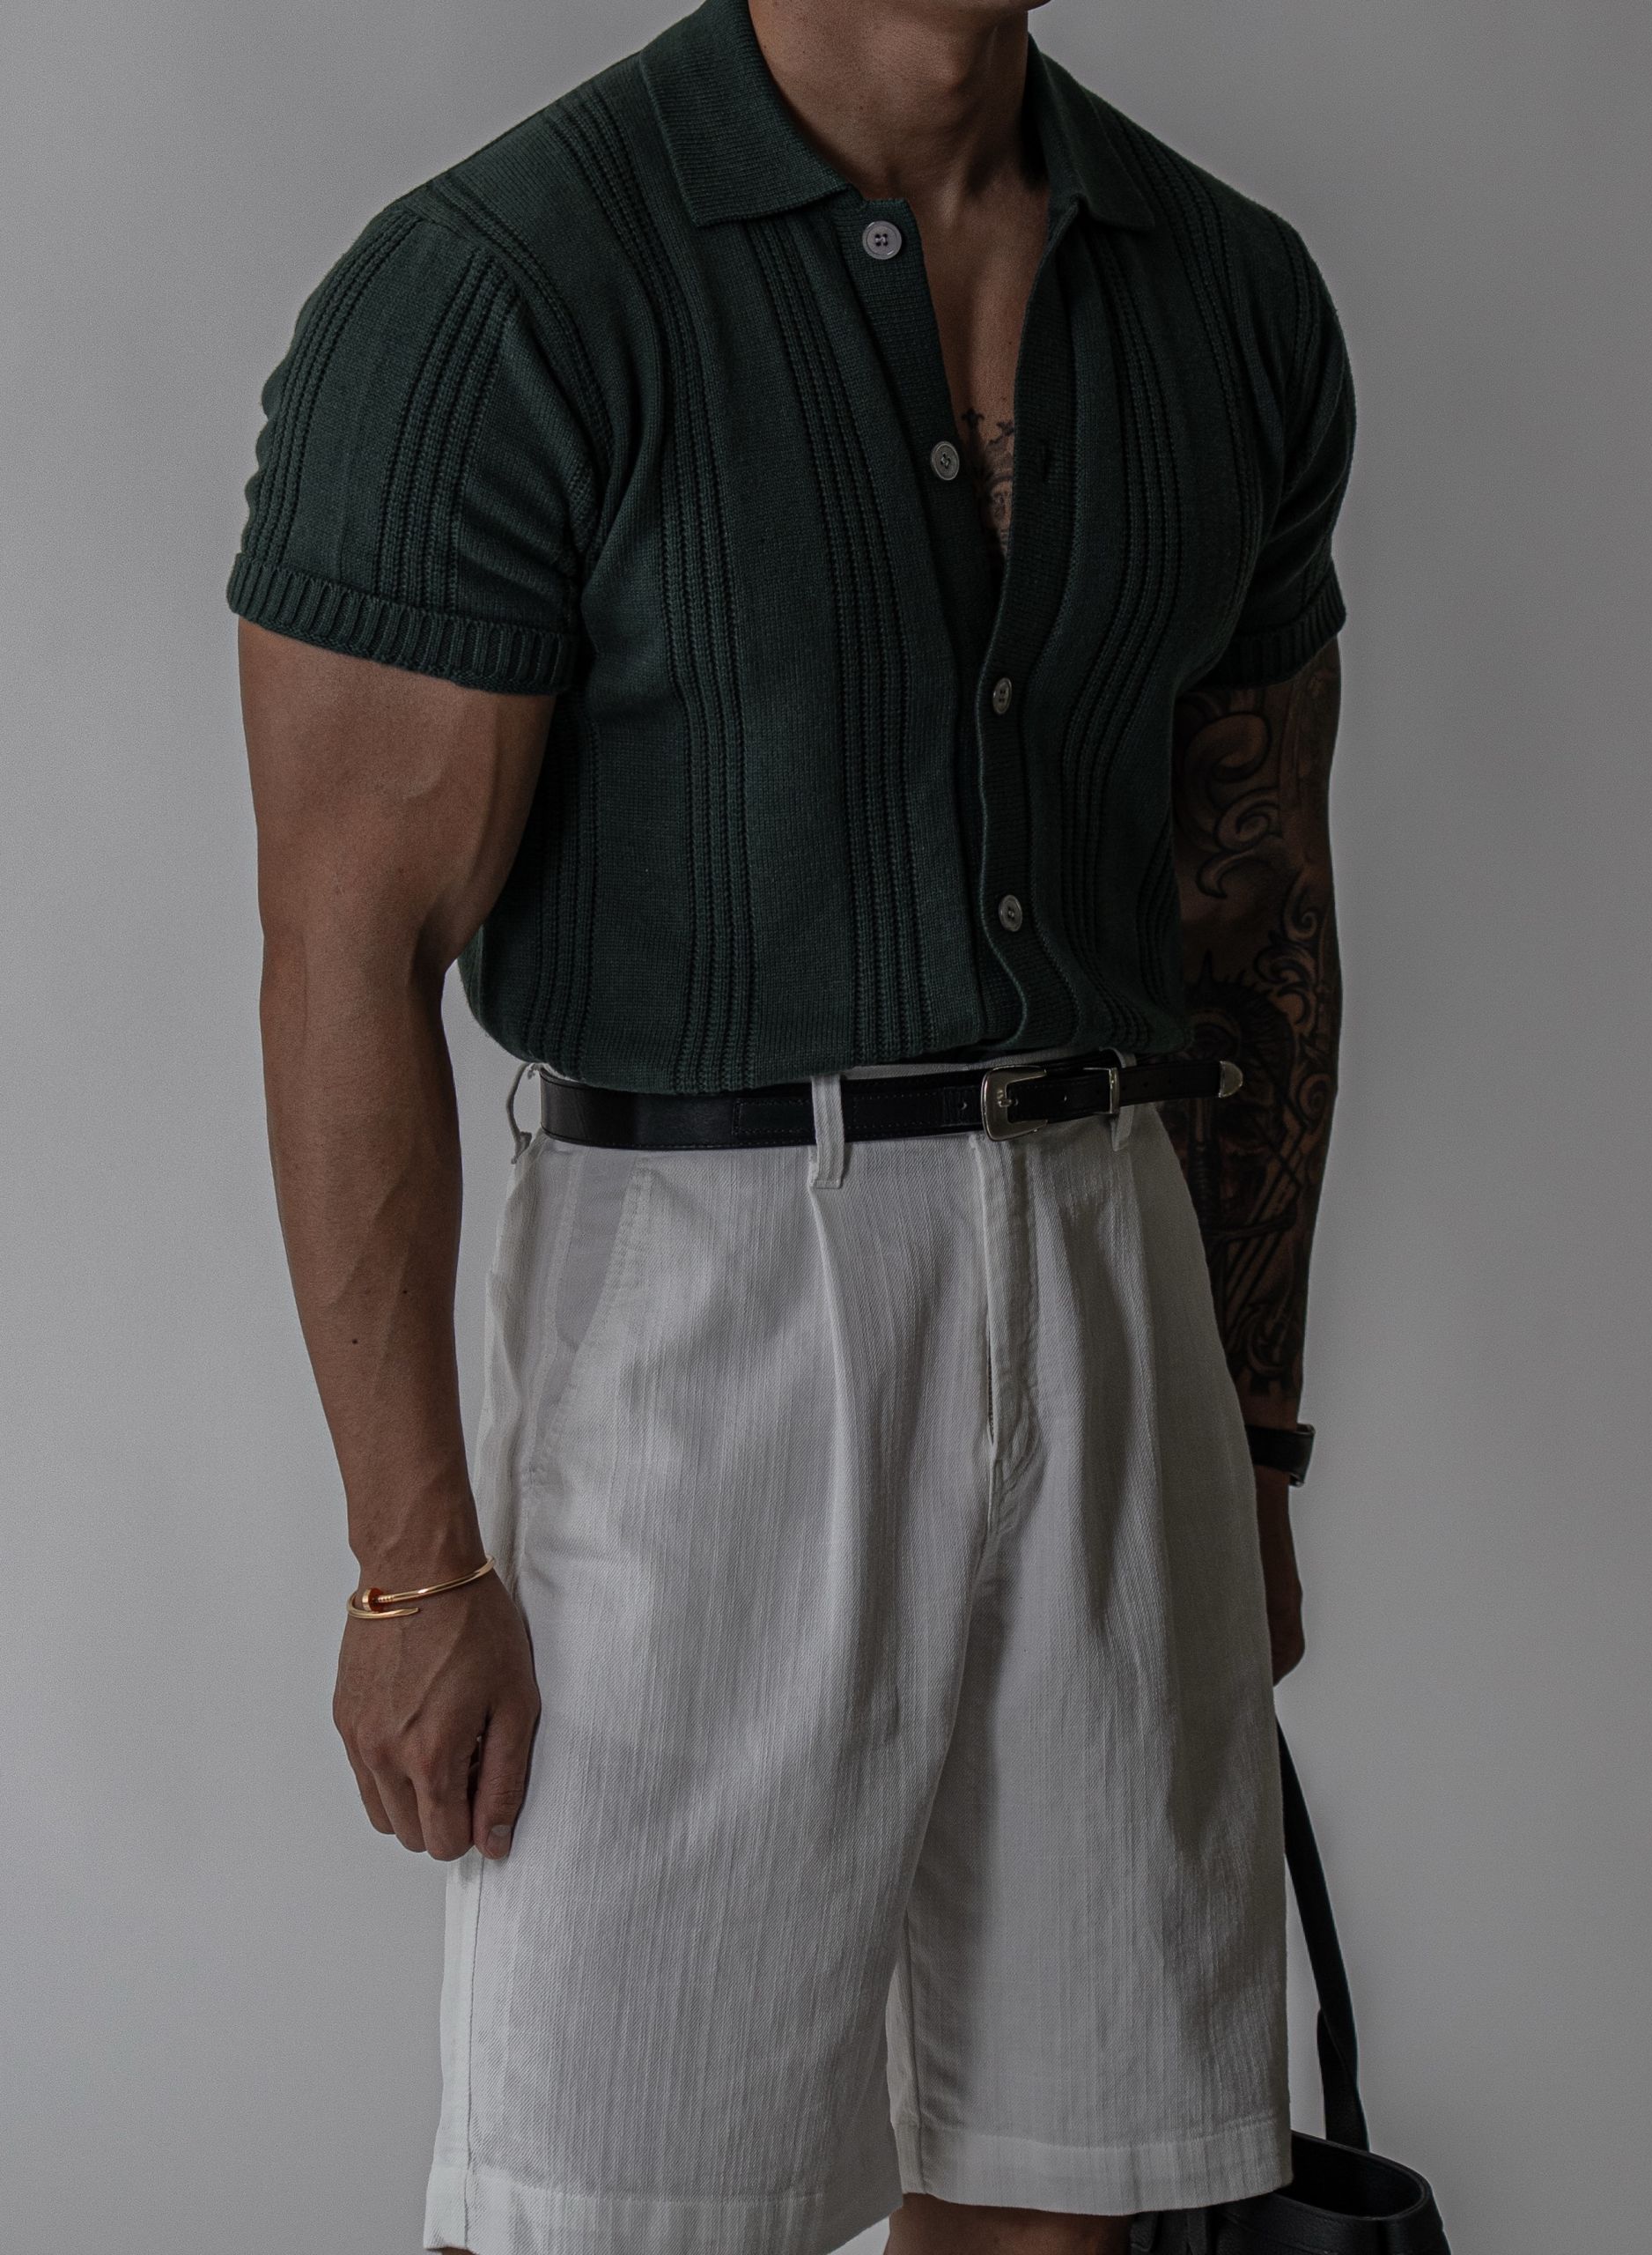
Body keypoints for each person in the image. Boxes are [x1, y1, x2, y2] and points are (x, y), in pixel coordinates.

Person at [228, 0, 1353, 2248]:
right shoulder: (499, 289)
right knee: (610, 2192)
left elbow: (1257, 907)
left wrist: (1248, 1429)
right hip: (708, 1285)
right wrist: (412, 1555)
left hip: (1116, 1241)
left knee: (1070, 2177)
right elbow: (348, 952)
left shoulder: (1226, 290)